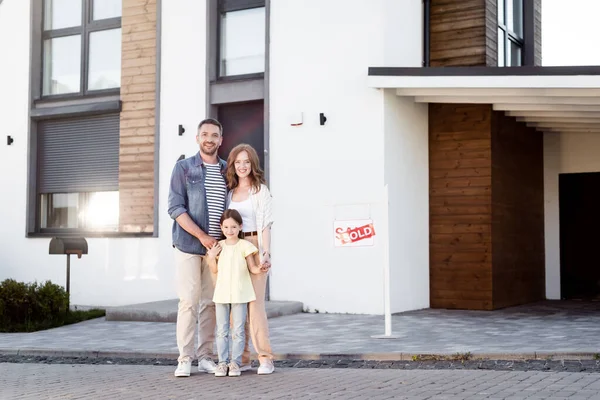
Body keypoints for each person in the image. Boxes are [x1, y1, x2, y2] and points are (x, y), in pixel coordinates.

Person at [167, 118, 227, 377]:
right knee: (189, 302)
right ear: (197, 138)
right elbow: (175, 208)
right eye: (205, 134)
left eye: (214, 135)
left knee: (210, 304)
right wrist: (202, 236)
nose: (209, 139)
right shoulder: (183, 167)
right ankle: (185, 358)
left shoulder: (228, 169)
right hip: (189, 246)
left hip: (218, 249)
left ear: (221, 140)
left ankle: (205, 357)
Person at [226, 144, 275, 375]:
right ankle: (242, 358)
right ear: (233, 166)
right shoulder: (229, 193)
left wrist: (266, 252)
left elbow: (265, 224)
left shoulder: (260, 191)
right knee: (238, 306)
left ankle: (265, 358)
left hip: (254, 246)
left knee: (255, 307)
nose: (242, 166)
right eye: (238, 162)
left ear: (252, 164)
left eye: (246, 162)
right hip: (234, 247)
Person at [206, 209, 264, 377]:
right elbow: (214, 269)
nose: (229, 231)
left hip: (240, 293)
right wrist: (211, 257)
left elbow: (252, 267)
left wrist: (260, 268)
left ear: (240, 227)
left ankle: (235, 363)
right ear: (221, 228)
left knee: (238, 330)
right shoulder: (219, 247)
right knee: (221, 331)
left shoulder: (245, 246)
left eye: (233, 227)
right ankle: (222, 363)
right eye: (226, 227)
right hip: (222, 294)